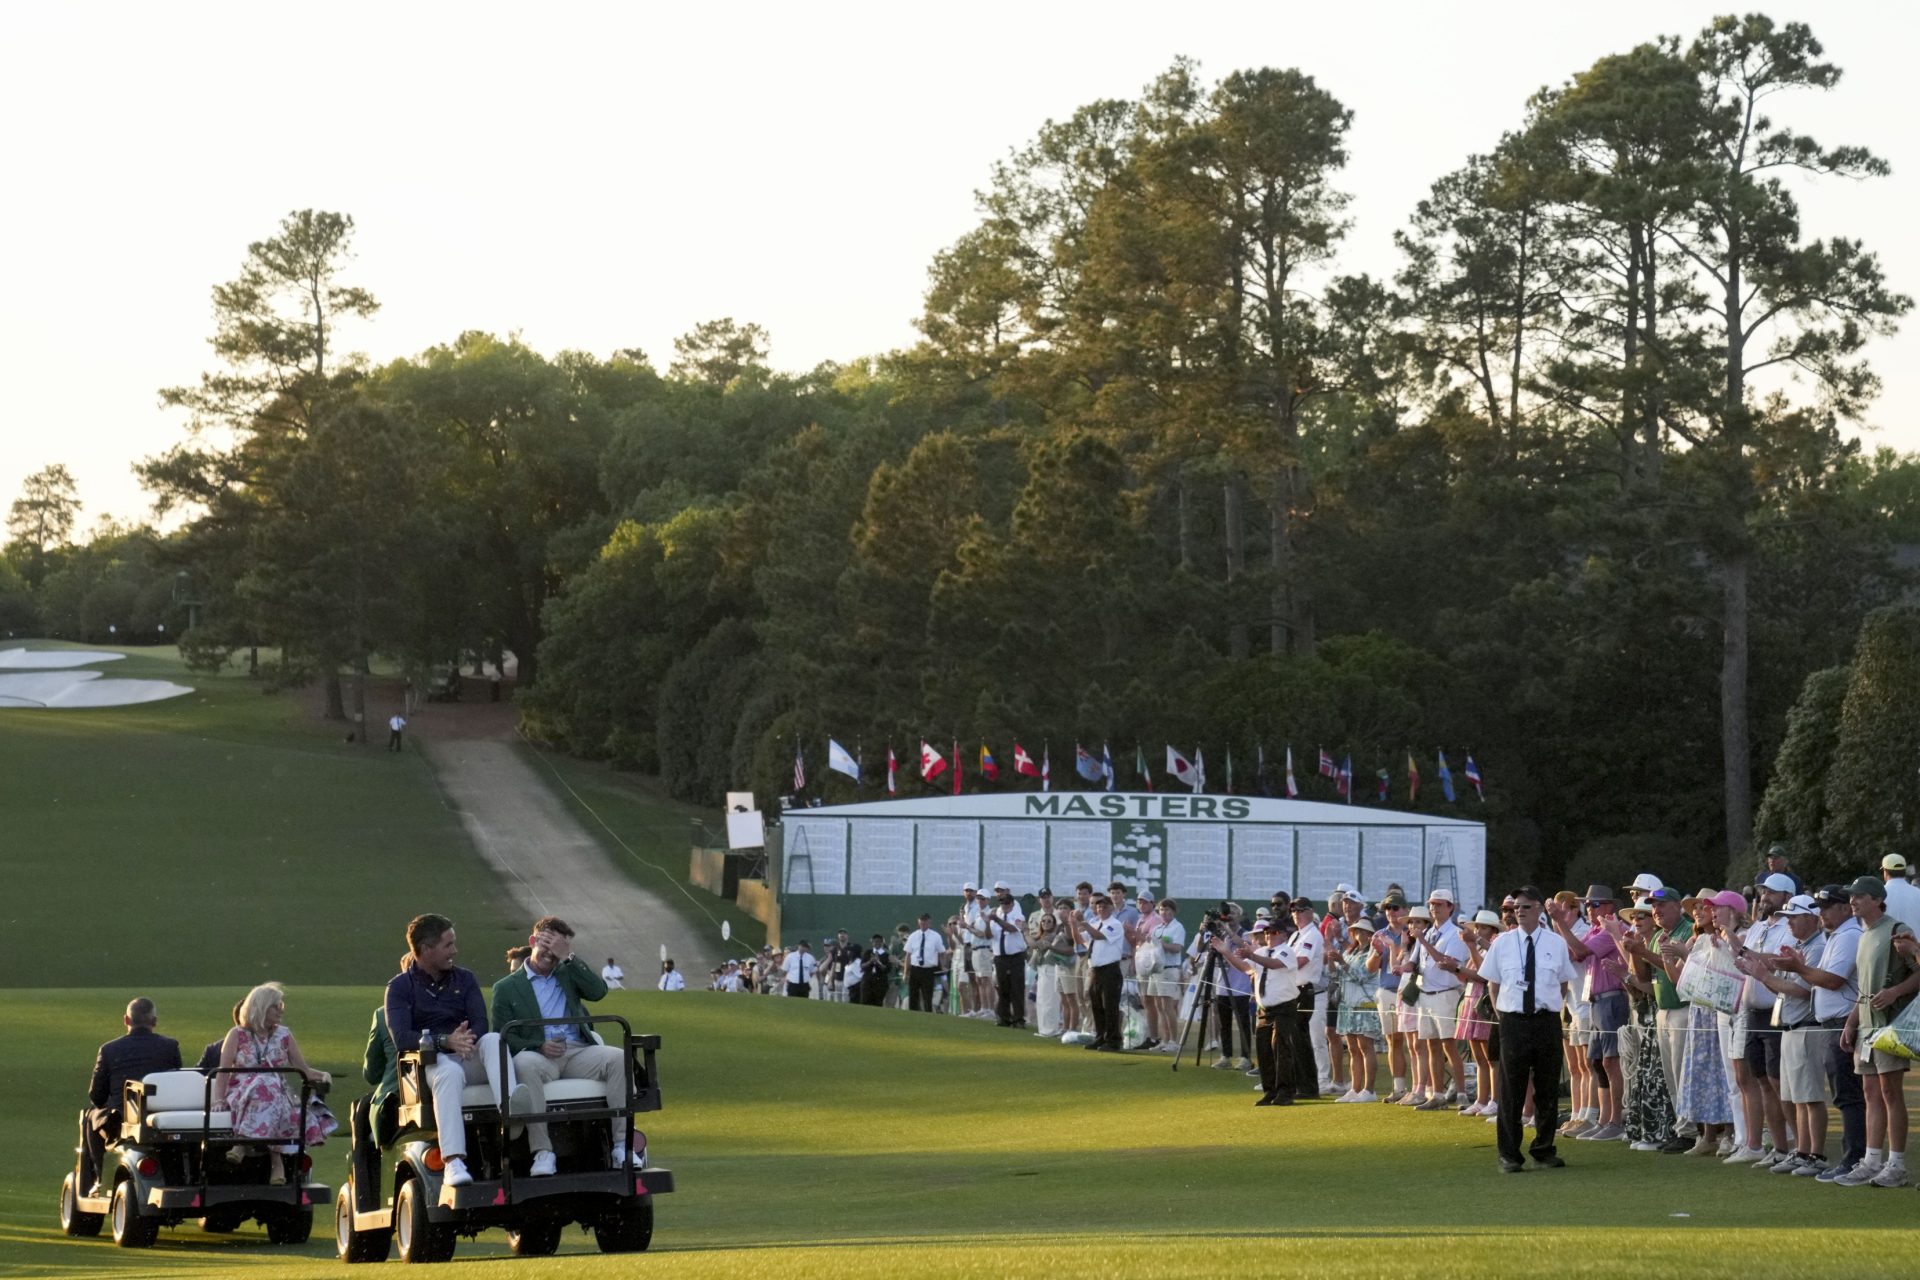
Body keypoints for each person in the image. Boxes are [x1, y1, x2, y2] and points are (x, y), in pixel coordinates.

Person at [491, 916, 630, 1176]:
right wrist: (539, 1046)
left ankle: (622, 1146)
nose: (550, 955)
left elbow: (598, 991)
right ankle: (542, 1152)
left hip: (577, 1051)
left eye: (557, 949)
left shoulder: (567, 972)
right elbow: (502, 1036)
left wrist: (568, 958)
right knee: (523, 1063)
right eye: (545, 945)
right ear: (532, 942)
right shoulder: (506, 988)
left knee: (619, 1058)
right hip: (540, 1056)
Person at [1474, 886, 1578, 1172]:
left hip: (1545, 1020)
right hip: (1514, 1021)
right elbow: (1492, 982)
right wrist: (1503, 1013)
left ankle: (1544, 1150)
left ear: (1539, 909)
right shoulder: (1502, 943)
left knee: (1546, 1088)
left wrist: (1550, 1005)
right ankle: (1509, 1154)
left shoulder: (1555, 943)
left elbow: (1563, 982)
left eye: (1526, 906)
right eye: (1515, 907)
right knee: (1511, 1090)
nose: (1519, 911)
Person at [385, 913, 490, 1188]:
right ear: (426, 949)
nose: (455, 951)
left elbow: (480, 1021)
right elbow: (404, 1038)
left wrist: (465, 1040)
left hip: (468, 1054)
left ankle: (515, 1116)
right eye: (448, 945)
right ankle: (454, 1161)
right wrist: (446, 1041)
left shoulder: (465, 979)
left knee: (495, 1041)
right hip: (431, 1063)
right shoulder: (399, 988)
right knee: (448, 1074)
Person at [1775, 884, 1865, 1181]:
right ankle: (1853, 1158)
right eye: (1820, 909)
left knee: (1848, 1097)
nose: (1822, 914)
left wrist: (1798, 968)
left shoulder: (1849, 935)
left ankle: (1854, 1159)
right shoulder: (1837, 935)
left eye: (1827, 908)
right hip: (1832, 1024)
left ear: (1843, 908)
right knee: (1844, 1096)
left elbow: (1833, 981)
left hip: (1841, 1022)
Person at [1835, 874, 1919, 1187]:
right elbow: (1864, 989)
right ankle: (1872, 1161)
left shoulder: (1897, 930)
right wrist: (1852, 1022)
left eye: (1858, 896)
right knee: (1871, 1093)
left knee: (1890, 1093)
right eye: (1851, 896)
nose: (1852, 901)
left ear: (1875, 899)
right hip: (1867, 1027)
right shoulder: (1864, 934)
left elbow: (1918, 973)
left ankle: (1896, 1165)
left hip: (1889, 1028)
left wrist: (1896, 992)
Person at [219, 982, 335, 1184]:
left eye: (281, 1006)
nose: (281, 1011)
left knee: (270, 1084)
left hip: (276, 1092)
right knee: (265, 1083)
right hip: (242, 1092)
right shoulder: (237, 1035)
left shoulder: (284, 1035)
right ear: (261, 1007)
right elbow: (223, 1072)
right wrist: (217, 1100)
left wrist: (322, 1075)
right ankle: (276, 1162)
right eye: (276, 1006)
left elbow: (304, 1071)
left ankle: (242, 1143)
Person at [1750, 894, 1830, 1175]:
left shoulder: (1817, 947)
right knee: (1796, 1096)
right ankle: (1802, 1150)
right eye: (1787, 918)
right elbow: (1784, 989)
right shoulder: (1799, 945)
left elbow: (1803, 990)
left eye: (1794, 917)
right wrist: (1768, 977)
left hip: (1807, 1026)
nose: (1789, 923)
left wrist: (1763, 976)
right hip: (1790, 1025)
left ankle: (1815, 1154)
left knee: (1809, 1096)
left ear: (1810, 918)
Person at [81, 997, 181, 1193]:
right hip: (159, 1116)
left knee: (90, 1117)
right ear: (154, 1022)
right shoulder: (169, 1046)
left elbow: (97, 1096)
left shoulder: (109, 1050)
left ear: (126, 1020)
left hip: (121, 1119)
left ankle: (98, 1176)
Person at [1212, 917, 1301, 1106]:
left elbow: (1274, 964)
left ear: (1284, 934)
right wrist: (1226, 952)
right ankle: (1270, 1090)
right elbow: (1246, 969)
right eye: (1267, 932)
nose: (1269, 935)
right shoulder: (1261, 951)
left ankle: (1285, 1091)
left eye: (1274, 932)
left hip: (1284, 1007)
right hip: (1265, 1008)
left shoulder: (1286, 951)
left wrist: (1252, 956)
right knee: (1264, 1050)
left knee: (1281, 1049)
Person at [1412, 889, 1470, 1109]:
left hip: (1446, 994)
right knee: (1431, 1045)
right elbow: (1417, 962)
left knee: (1449, 1045)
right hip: (1425, 994)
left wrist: (1422, 942)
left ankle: (1462, 1093)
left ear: (1450, 907)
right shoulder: (1426, 933)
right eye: (1432, 904)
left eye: (1439, 904)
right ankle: (1437, 1094)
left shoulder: (1455, 934)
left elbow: (1446, 962)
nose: (1434, 908)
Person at [1065, 893, 1126, 1051]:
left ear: (1111, 908)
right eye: (1098, 906)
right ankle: (1100, 1037)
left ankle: (1113, 1040)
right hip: (1095, 969)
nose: (1101, 909)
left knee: (1110, 1006)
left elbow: (1099, 936)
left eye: (1104, 906)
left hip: (1109, 969)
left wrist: (1083, 924)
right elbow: (1081, 941)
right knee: (1096, 1005)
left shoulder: (1114, 924)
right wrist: (1073, 925)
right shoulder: (1096, 923)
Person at [1331, 918, 1381, 1102]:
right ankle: (1355, 1088)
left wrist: (1341, 962)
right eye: (1355, 931)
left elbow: (1362, 976)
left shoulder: (1373, 953)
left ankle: (1369, 1090)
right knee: (1352, 1048)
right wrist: (1333, 960)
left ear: (1369, 934)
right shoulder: (1350, 952)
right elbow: (1335, 974)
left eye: (1361, 931)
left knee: (1366, 1046)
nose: (1358, 934)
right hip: (1347, 1005)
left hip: (1364, 1005)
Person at [1143, 899, 1187, 1052]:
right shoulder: (1157, 928)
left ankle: (1174, 1041)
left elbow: (1177, 948)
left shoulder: (1177, 927)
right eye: (1162, 909)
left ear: (1174, 912)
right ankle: (1164, 1040)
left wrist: (1161, 944)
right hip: (1155, 970)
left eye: (1168, 910)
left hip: (1169, 969)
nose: (1164, 912)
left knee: (1167, 1006)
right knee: (1159, 1006)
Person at [985, 882, 1029, 1028]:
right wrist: (987, 923)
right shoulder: (996, 914)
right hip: (1000, 957)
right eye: (1002, 903)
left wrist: (996, 920)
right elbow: (989, 935)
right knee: (1002, 987)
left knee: (1016, 988)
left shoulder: (1017, 915)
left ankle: (1018, 1019)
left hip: (1015, 956)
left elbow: (1012, 929)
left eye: (1006, 903)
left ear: (1011, 903)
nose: (1004, 905)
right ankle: (1003, 1017)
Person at [903, 912, 946, 1013]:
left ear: (929, 922)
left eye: (925, 923)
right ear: (918, 923)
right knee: (913, 994)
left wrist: (942, 966)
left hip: (928, 970)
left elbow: (942, 953)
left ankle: (928, 1014)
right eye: (921, 923)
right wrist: (906, 973)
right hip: (915, 968)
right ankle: (913, 1014)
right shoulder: (913, 936)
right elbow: (908, 955)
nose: (923, 925)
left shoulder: (936, 936)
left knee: (927, 995)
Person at [1882, 853, 1920, 931]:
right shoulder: (1918, 893)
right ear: (1904, 871)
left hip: (1890, 942)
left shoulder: (1878, 896)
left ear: (1885, 871)